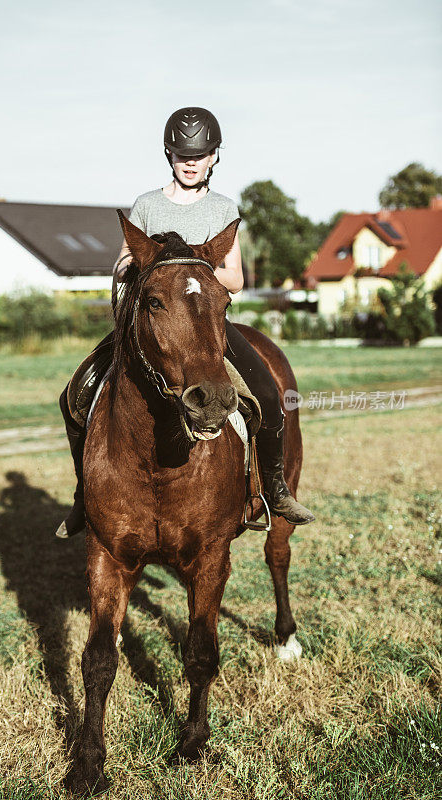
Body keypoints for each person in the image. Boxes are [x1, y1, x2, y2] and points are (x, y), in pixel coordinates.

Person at [56, 107, 315, 539]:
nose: (191, 162)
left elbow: (235, 277)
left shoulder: (222, 208)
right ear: (168, 155)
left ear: (215, 157)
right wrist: (132, 268)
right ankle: (86, 496)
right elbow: (122, 260)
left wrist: (191, 273)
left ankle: (273, 487)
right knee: (75, 394)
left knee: (269, 394)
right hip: (152, 326)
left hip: (208, 323)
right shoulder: (147, 205)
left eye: (201, 154)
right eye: (182, 155)